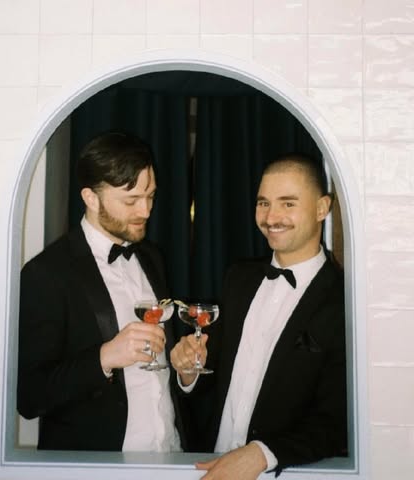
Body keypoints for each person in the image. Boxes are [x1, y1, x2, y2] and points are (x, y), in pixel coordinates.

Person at [170, 153, 347, 478]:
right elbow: (211, 373)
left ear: (322, 208)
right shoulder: (238, 279)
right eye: (263, 203)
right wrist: (189, 370)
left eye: (288, 203)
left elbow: (337, 421)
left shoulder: (344, 302)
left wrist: (263, 454)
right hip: (211, 467)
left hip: (283, 473)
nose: (271, 217)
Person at [17, 131, 184, 452]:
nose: (146, 210)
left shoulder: (152, 257)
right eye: (131, 200)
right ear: (91, 198)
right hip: (97, 464)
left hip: (169, 453)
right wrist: (104, 357)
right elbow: (29, 396)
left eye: (150, 196)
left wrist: (183, 366)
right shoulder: (46, 273)